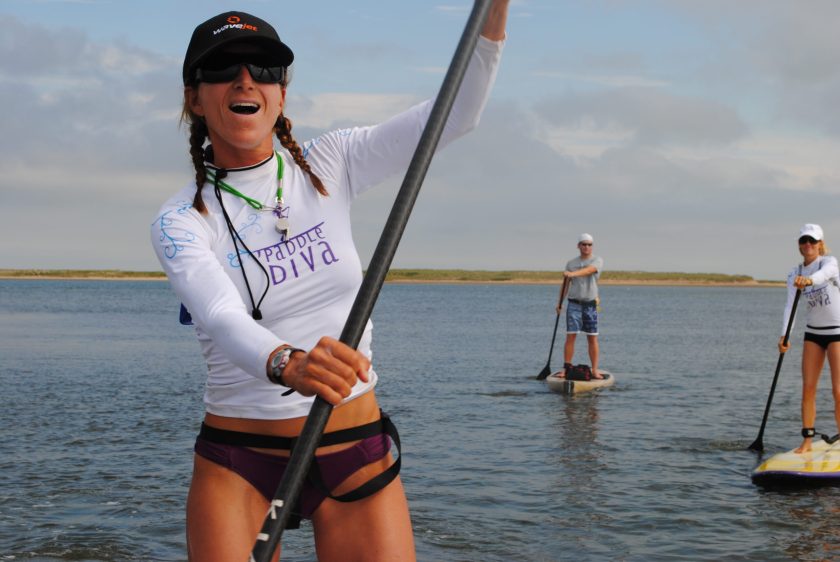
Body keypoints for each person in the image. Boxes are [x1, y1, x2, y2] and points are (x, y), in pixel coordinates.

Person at [150, 4, 509, 560]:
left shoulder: (331, 162)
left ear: (281, 95)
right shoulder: (181, 221)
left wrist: (497, 9)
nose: (245, 80)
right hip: (241, 457)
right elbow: (220, 316)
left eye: (264, 69)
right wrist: (288, 364)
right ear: (194, 98)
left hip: (351, 447)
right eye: (222, 69)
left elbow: (456, 113)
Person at [778, 224, 840, 454]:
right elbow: (789, 306)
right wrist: (785, 336)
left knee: (838, 391)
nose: (808, 245)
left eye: (812, 241)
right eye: (804, 241)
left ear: (820, 244)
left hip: (837, 332)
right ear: (799, 245)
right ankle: (807, 440)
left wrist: (810, 281)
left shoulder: (829, 263)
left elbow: (822, 276)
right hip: (813, 334)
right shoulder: (795, 273)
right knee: (808, 388)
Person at [558, 233, 604, 379]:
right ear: (578, 246)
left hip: (590, 305)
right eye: (584, 244)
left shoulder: (597, 260)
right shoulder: (571, 263)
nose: (586, 247)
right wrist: (559, 303)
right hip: (574, 304)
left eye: (589, 244)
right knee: (570, 337)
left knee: (592, 338)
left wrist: (572, 274)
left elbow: (590, 270)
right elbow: (565, 285)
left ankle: (594, 370)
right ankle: (566, 369)